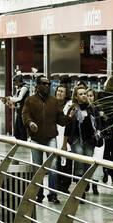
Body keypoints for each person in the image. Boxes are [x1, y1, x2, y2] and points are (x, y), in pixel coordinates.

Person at [22, 74, 69, 204]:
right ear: (37, 86)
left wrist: (69, 117)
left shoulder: (54, 101)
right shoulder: (30, 100)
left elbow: (61, 120)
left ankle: (52, 194)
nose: (47, 86)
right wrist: (30, 123)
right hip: (36, 138)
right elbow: (25, 115)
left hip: (50, 137)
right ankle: (39, 194)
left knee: (53, 166)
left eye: (48, 84)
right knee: (38, 168)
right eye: (44, 84)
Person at [64, 86, 104, 196]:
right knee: (79, 162)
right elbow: (67, 127)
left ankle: (85, 183)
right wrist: (64, 143)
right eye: (80, 94)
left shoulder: (92, 108)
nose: (84, 96)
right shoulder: (73, 109)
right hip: (76, 139)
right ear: (76, 97)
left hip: (89, 140)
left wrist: (99, 131)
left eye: (84, 93)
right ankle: (80, 190)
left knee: (88, 163)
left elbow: (98, 122)